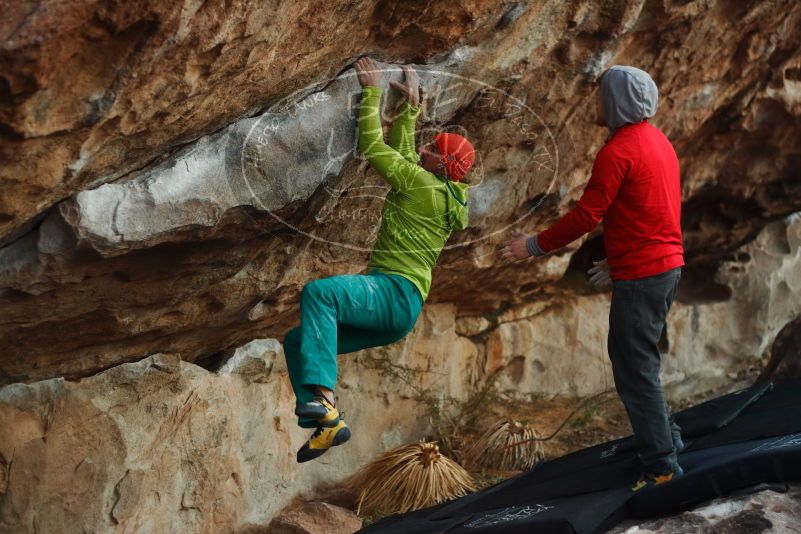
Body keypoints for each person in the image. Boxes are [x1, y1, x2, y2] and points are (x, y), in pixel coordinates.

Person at [500, 65, 685, 490]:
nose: (597, 101)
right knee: (641, 362)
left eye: (603, 94)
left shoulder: (619, 151)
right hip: (665, 266)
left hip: (644, 273)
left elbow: (588, 215)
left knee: (634, 369)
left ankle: (662, 467)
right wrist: (619, 262)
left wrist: (533, 246)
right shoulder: (659, 142)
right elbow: (654, 210)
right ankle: (669, 440)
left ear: (617, 101)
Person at [284, 57, 476, 463]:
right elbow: (407, 154)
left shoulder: (423, 185)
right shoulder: (440, 189)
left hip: (392, 293)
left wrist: (371, 93)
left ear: (442, 165)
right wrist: (410, 106)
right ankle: (327, 422)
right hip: (402, 309)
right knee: (298, 341)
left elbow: (375, 148)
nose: (426, 147)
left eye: (434, 149)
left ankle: (325, 402)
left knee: (320, 295)